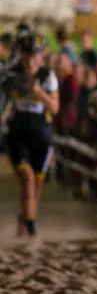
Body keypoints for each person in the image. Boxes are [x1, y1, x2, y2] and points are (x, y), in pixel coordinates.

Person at [4, 27, 59, 242]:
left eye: (35, 56)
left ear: (41, 56)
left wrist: (40, 95)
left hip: (41, 133)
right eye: (27, 55)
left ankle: (24, 220)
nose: (31, 61)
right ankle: (33, 233)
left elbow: (54, 107)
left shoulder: (48, 76)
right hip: (18, 131)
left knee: (35, 188)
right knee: (26, 180)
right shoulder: (11, 73)